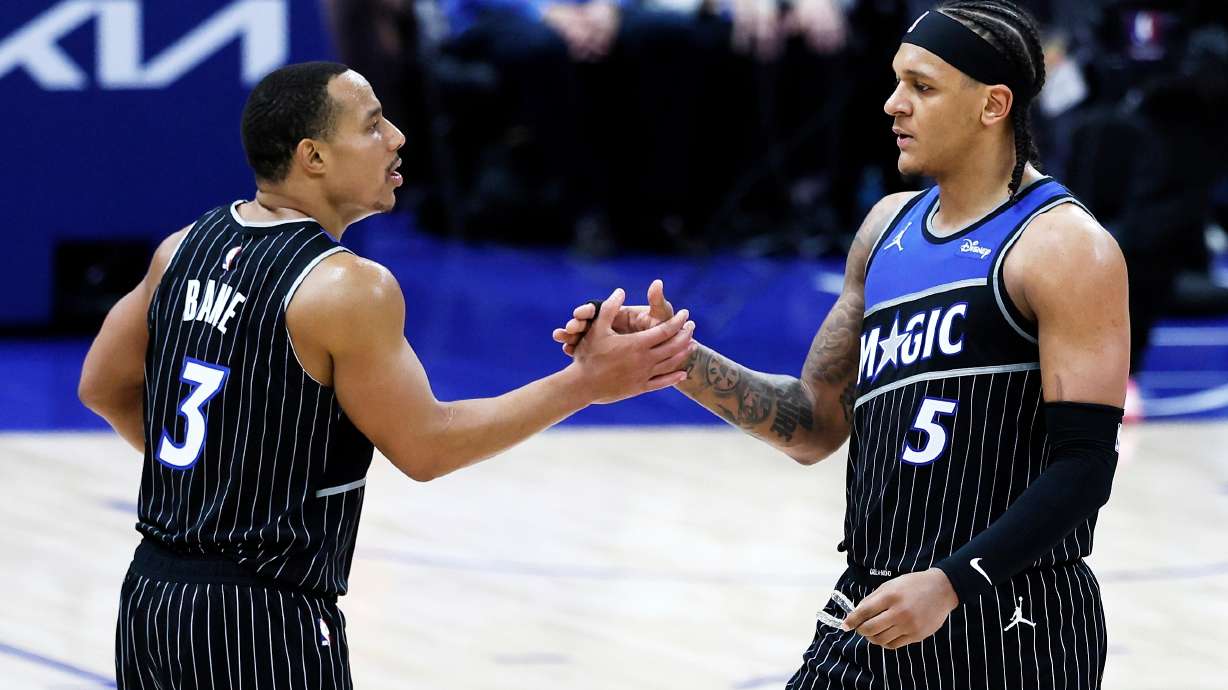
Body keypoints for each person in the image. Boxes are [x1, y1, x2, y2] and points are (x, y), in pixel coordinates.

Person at [555, 2, 1129, 687]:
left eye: (922, 86)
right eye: (895, 82)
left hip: (1009, 615)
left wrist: (949, 584)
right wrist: (674, 358)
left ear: (992, 105)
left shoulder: (1064, 248)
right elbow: (813, 422)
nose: (893, 105)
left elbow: (1085, 469)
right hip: (872, 603)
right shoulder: (885, 230)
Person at [77, 61, 695, 689]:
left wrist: (212, 486)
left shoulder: (182, 248)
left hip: (151, 597)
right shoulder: (348, 286)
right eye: (373, 126)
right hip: (261, 616)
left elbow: (100, 386)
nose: (397, 137)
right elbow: (428, 446)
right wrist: (584, 383)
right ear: (312, 157)